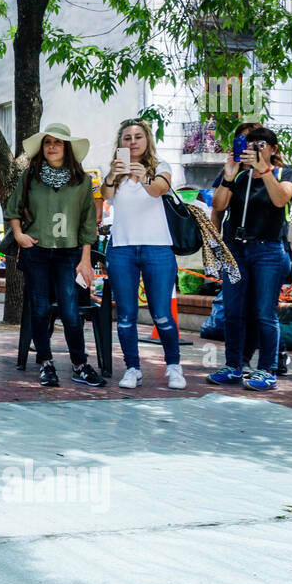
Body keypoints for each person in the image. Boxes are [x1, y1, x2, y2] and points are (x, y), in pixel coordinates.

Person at [7, 123, 107, 388]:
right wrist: (19, 235)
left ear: (67, 148)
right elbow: (13, 209)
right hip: (36, 251)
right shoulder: (31, 176)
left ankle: (79, 365)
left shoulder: (83, 181)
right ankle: (46, 364)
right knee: (39, 309)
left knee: (71, 311)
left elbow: (88, 223)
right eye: (48, 142)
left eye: (58, 142)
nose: (52, 146)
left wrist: (85, 260)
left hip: (69, 254)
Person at [207, 125, 292, 391]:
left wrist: (264, 170)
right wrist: (229, 175)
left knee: (264, 312)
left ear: (273, 149)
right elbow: (218, 205)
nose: (255, 149)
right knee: (233, 311)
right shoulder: (240, 178)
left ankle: (267, 369)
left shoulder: (284, 174)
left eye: (261, 145)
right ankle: (233, 365)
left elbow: (281, 199)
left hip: (267, 250)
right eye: (250, 145)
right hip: (236, 249)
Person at [101, 118, 184, 389]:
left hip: (157, 247)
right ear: (120, 143)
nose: (133, 142)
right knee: (126, 315)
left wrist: (142, 175)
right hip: (122, 248)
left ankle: (174, 366)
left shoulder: (161, 166)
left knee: (161, 313)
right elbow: (105, 195)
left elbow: (158, 190)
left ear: (147, 140)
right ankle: (132, 368)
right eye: (127, 137)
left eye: (138, 136)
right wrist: (114, 174)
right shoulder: (114, 170)